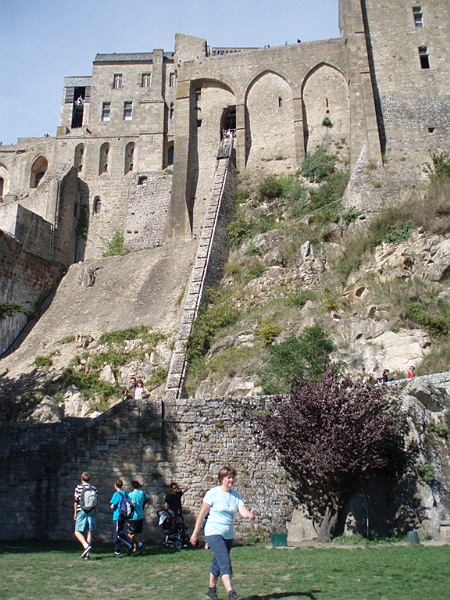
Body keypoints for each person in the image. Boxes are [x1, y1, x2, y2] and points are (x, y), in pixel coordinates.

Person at [190, 466, 255, 600]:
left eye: (232, 477)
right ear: (222, 479)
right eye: (228, 478)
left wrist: (248, 514)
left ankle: (211, 591)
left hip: (228, 534)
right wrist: (195, 533)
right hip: (213, 532)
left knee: (218, 562)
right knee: (225, 561)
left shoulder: (235, 495)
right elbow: (202, 515)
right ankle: (231, 593)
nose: (231, 480)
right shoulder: (213, 493)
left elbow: (242, 510)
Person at [73, 472, 97, 560]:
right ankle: (87, 554)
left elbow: (76, 501)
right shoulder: (93, 488)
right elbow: (96, 502)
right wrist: (95, 512)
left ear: (81, 479)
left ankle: (85, 545)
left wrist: (75, 513)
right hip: (91, 510)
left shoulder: (79, 488)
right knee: (89, 531)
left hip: (81, 510)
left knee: (77, 531)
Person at [110, 479, 134, 556]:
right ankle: (117, 550)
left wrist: (112, 506)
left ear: (115, 486)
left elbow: (112, 506)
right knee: (118, 533)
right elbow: (131, 501)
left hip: (117, 516)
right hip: (123, 516)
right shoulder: (124, 493)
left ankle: (129, 545)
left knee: (118, 534)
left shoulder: (116, 494)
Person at [127, 480, 149, 555]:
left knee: (130, 534)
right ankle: (135, 549)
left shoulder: (130, 494)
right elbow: (149, 499)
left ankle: (140, 544)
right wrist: (143, 503)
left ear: (132, 486)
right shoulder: (142, 493)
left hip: (133, 516)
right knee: (136, 534)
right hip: (141, 515)